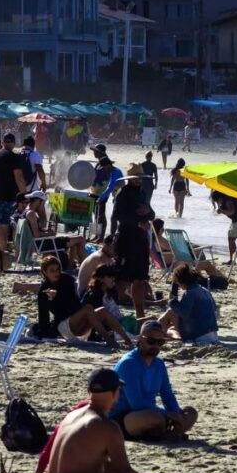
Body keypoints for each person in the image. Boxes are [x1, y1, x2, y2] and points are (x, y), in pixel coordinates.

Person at [44, 368, 172, 473]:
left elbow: (96, 463)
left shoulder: (71, 416)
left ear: (88, 391)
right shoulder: (107, 426)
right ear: (116, 393)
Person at [108, 321, 197, 441]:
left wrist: (175, 414)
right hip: (123, 417)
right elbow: (136, 403)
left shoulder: (159, 364)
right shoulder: (128, 364)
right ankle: (170, 433)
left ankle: (169, 433)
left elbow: (167, 395)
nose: (155, 345)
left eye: (160, 342)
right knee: (154, 418)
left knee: (190, 413)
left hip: (150, 412)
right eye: (151, 341)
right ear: (140, 339)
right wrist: (167, 414)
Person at [36, 256, 122, 347]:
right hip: (64, 324)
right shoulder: (44, 290)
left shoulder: (67, 280)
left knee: (102, 310)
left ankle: (127, 341)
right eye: (52, 270)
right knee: (88, 308)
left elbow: (73, 303)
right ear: (45, 272)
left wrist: (58, 295)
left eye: (57, 269)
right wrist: (51, 299)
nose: (56, 273)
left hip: (76, 319)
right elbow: (44, 315)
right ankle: (108, 340)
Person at [111, 165, 155, 319]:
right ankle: (111, 310)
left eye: (140, 178)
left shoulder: (142, 193)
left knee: (140, 278)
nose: (138, 180)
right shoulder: (123, 193)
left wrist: (147, 212)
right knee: (123, 278)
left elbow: (152, 214)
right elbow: (117, 216)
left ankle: (140, 314)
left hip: (141, 240)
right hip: (126, 239)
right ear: (129, 179)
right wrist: (138, 222)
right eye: (136, 178)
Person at [159, 264, 218, 343]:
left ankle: (157, 335)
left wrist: (172, 302)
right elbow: (214, 309)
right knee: (171, 328)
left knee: (170, 312)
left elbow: (184, 313)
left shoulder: (190, 293)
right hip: (212, 333)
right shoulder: (204, 290)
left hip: (199, 336)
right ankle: (167, 336)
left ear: (181, 281)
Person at [25, 191, 86, 266]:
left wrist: (46, 231)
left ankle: (71, 266)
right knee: (81, 239)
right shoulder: (31, 214)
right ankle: (85, 265)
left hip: (42, 242)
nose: (43, 206)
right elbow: (37, 235)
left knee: (75, 241)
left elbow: (39, 229)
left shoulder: (28, 212)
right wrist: (50, 233)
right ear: (38, 201)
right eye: (43, 203)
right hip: (43, 244)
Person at [81, 265, 134, 346]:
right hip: (114, 328)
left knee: (149, 321)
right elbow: (98, 320)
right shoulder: (93, 295)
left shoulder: (111, 292)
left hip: (122, 322)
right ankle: (127, 339)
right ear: (100, 278)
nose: (113, 279)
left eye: (114, 277)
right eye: (110, 277)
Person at [0, 133, 19, 270]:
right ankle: (2, 252)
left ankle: (0, 250)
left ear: (3, 142)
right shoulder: (13, 157)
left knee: (0, 224)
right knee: (4, 225)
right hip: (9, 195)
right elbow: (19, 177)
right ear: (13, 142)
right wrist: (24, 194)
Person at [90, 145, 121, 242]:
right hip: (96, 191)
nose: (94, 153)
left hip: (103, 193)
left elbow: (110, 186)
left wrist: (102, 197)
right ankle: (96, 235)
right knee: (96, 214)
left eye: (95, 151)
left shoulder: (110, 167)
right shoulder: (100, 163)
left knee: (101, 215)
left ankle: (101, 237)